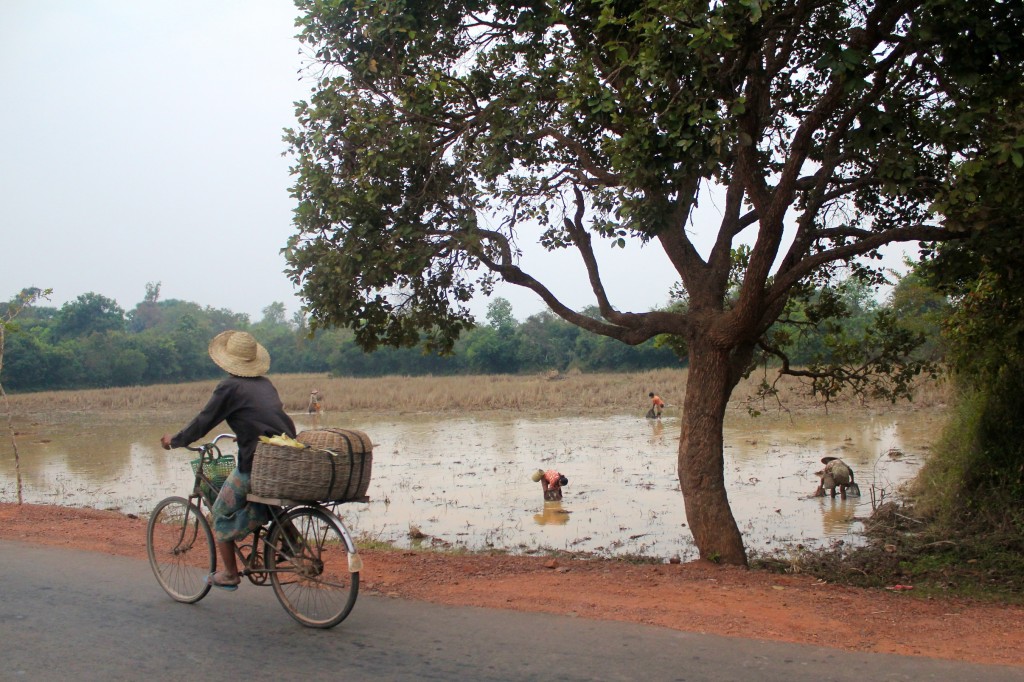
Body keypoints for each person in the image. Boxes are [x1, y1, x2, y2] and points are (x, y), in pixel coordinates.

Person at [160, 330, 296, 591]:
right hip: (283, 455)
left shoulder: (229, 387)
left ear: (228, 360)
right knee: (269, 498)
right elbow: (264, 418)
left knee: (220, 512)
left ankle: (230, 574)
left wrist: (175, 440)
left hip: (257, 461)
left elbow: (203, 421)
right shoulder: (265, 384)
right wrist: (245, 434)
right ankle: (293, 542)